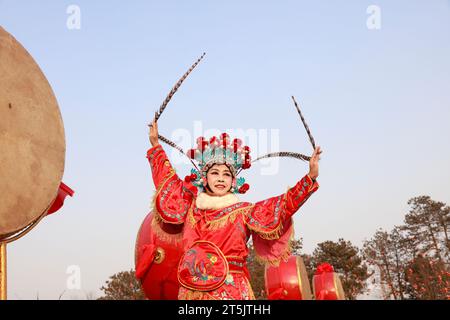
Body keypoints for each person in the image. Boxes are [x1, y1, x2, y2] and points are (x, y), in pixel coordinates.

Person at [147, 119, 322, 300]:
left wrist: (310, 177)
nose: (221, 179)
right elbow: (166, 180)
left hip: (231, 291)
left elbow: (284, 205)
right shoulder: (191, 208)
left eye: (227, 174)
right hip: (192, 292)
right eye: (215, 173)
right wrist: (155, 146)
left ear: (233, 181)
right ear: (204, 178)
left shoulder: (244, 212)